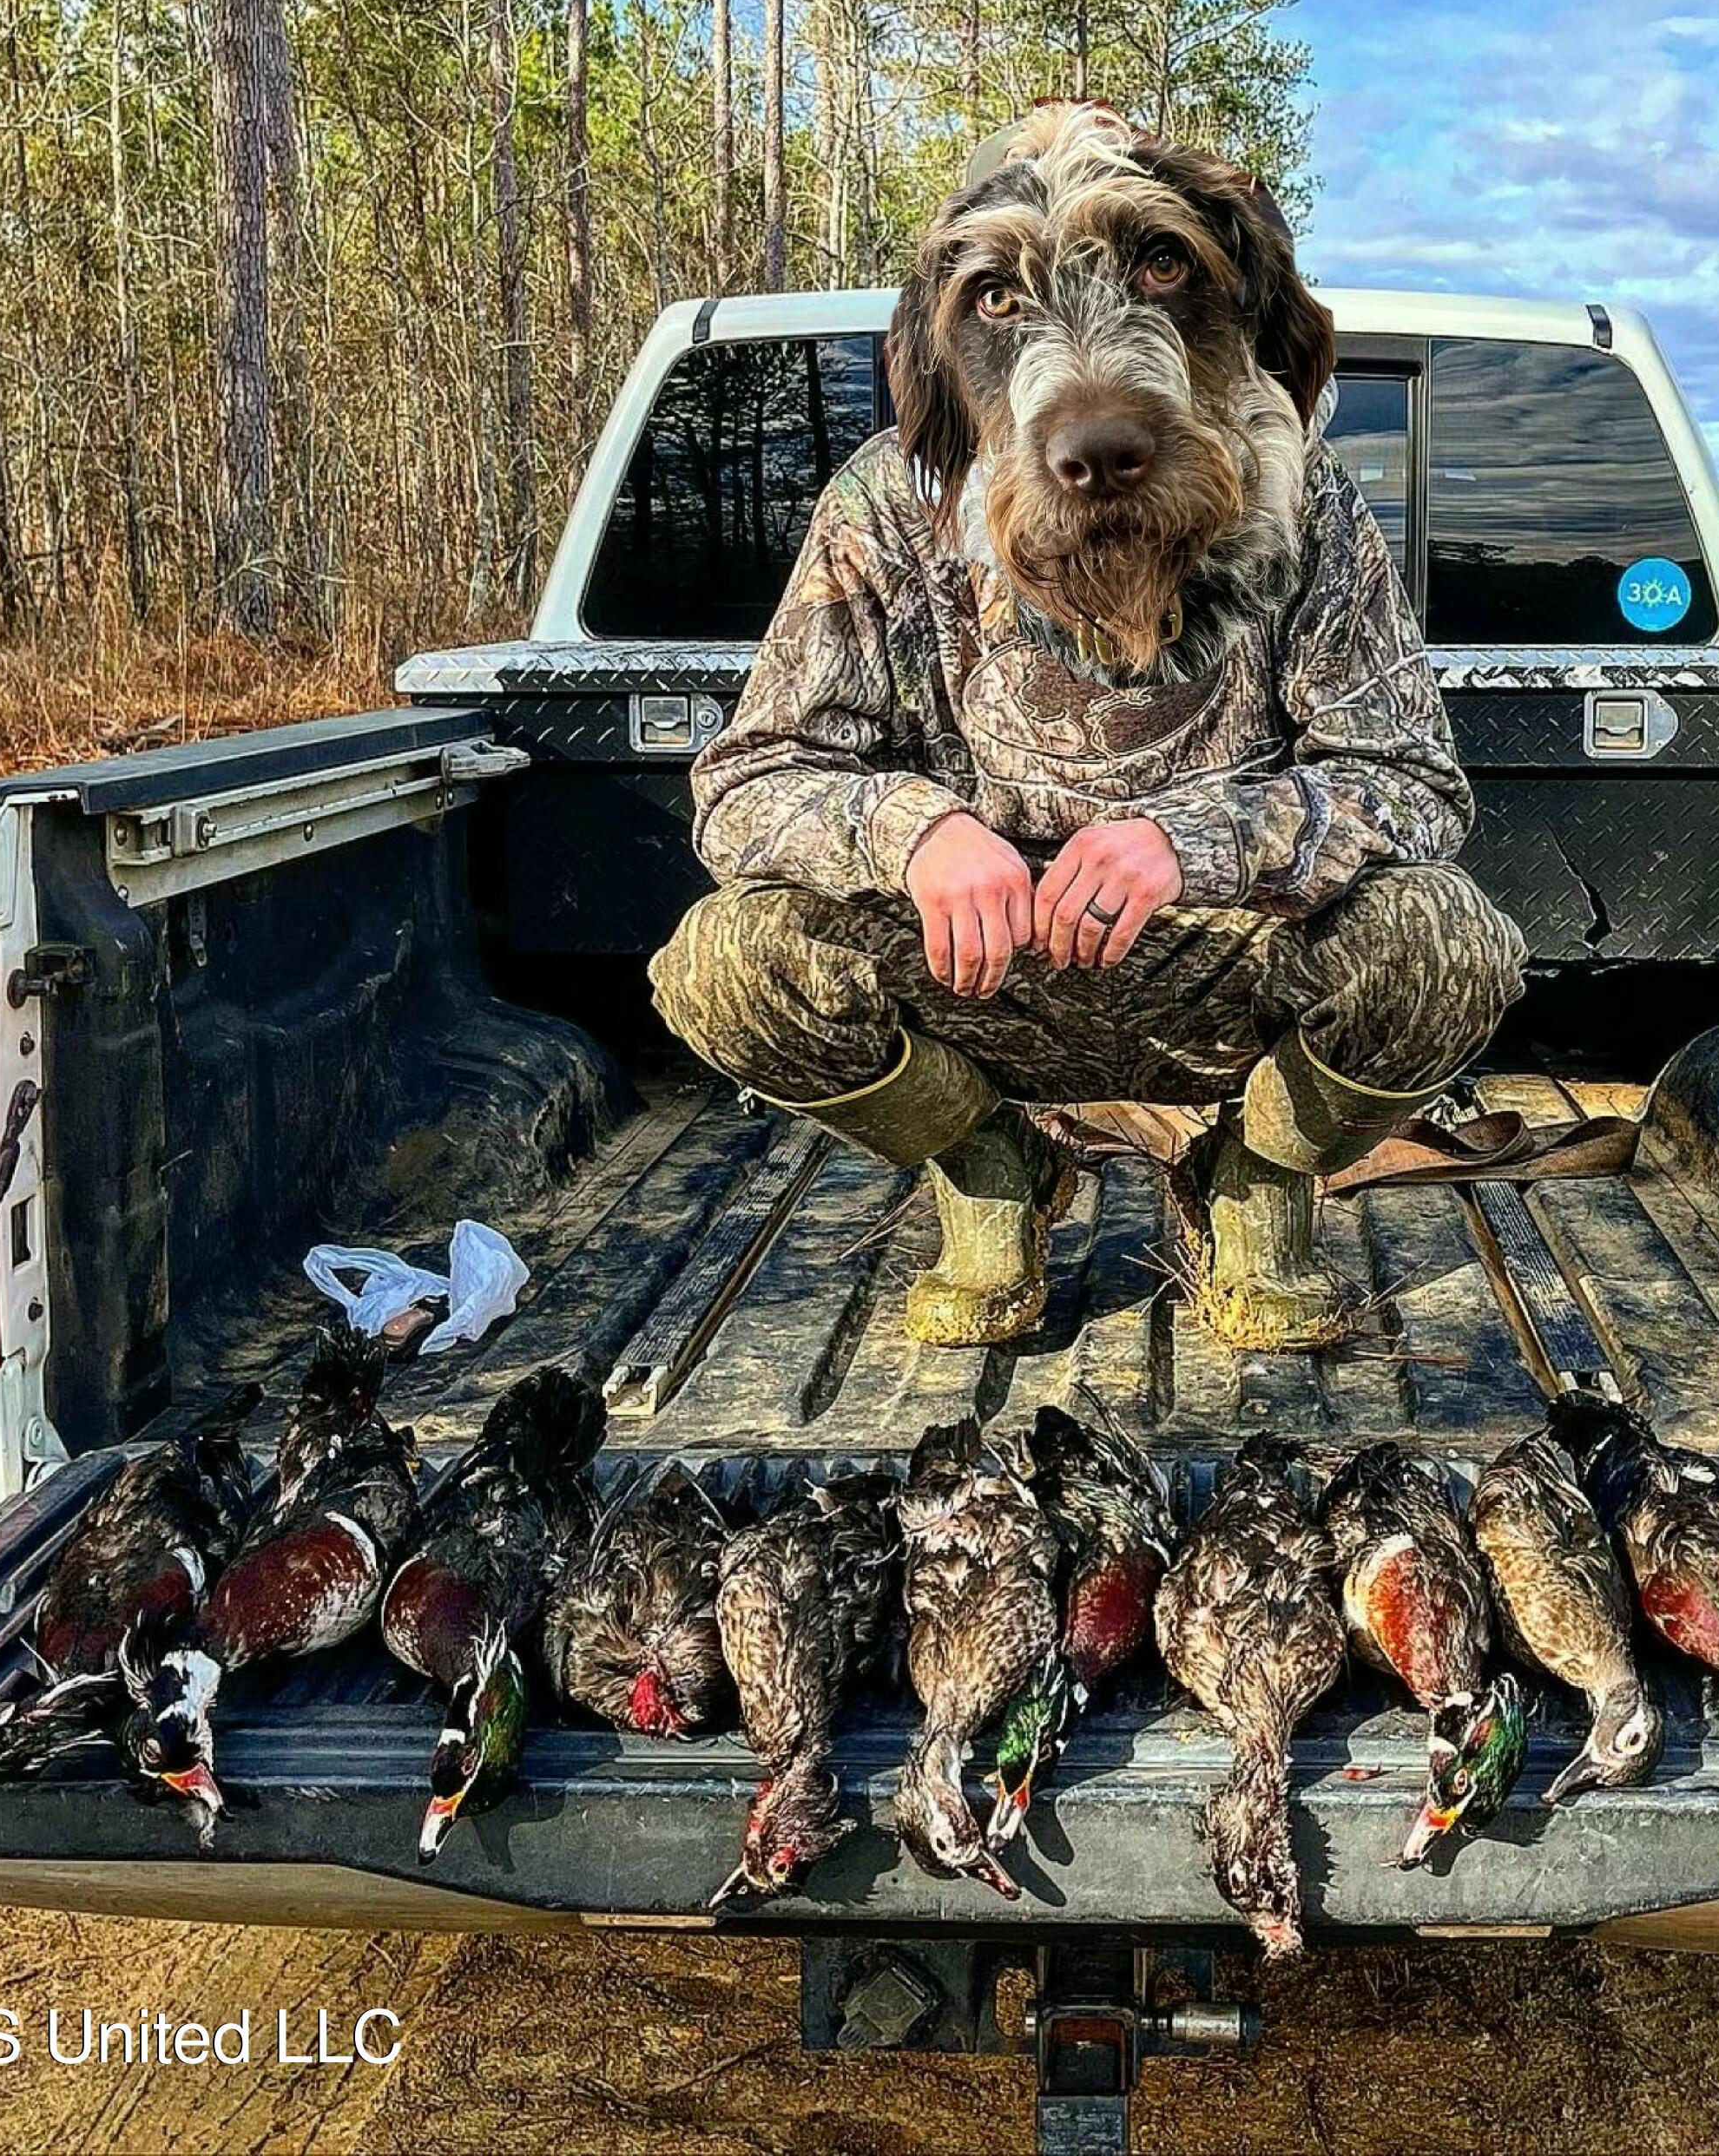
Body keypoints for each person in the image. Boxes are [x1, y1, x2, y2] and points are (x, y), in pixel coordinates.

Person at [652, 102, 1525, 1351]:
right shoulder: (890, 508)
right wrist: (914, 830)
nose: (1094, 409)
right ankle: (991, 1167)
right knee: (726, 965)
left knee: (1447, 946)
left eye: (1161, 266)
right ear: (940, 373)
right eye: (1001, 301)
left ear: (1258, 333)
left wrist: (1196, 841)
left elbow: (1411, 785)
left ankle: (1254, 1180)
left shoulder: (1308, 505)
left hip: (1227, 959)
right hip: (980, 968)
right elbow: (746, 786)